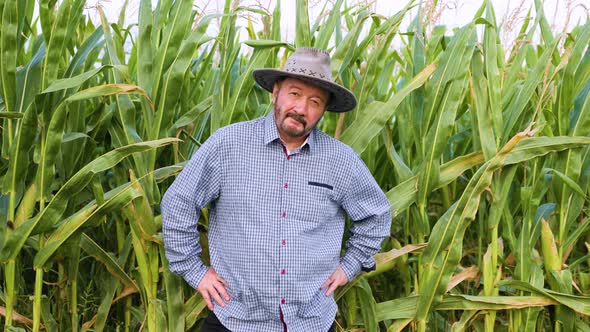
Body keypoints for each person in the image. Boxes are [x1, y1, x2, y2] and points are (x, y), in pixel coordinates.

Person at [161, 47, 392, 332]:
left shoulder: (340, 161)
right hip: (235, 319)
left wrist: (351, 265)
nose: (301, 109)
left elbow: (377, 216)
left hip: (310, 322)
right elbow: (179, 203)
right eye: (294, 94)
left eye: (315, 102)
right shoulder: (228, 145)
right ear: (275, 93)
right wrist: (195, 271)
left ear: (324, 110)